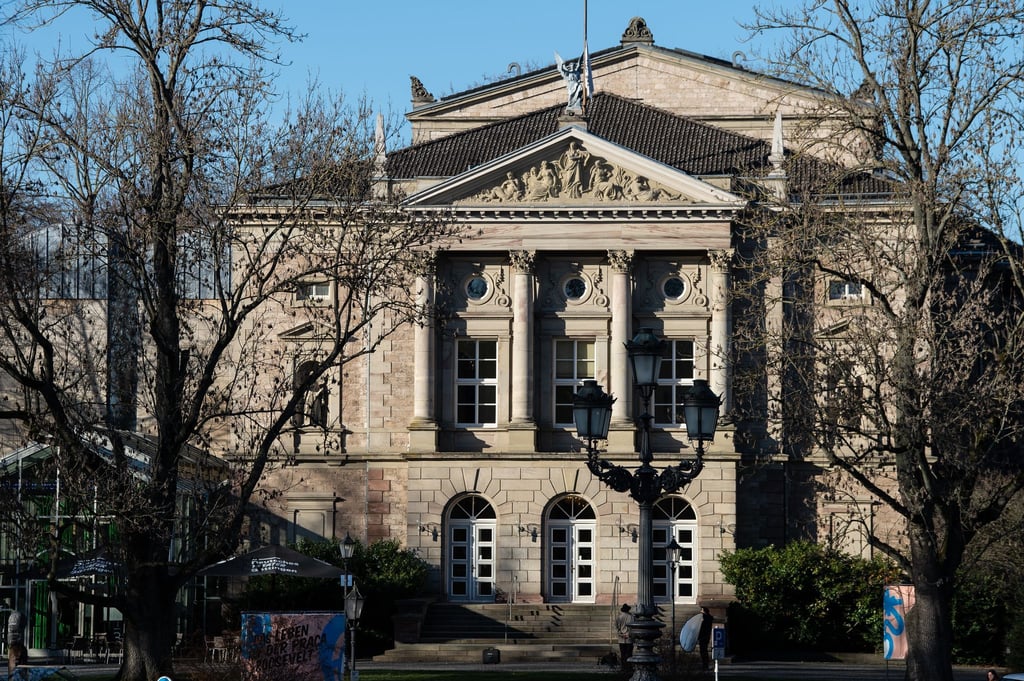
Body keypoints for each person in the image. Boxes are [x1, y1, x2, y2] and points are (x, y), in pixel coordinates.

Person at [5, 599, 28, 678]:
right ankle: (23, 674)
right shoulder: (21, 616)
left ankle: (11, 676)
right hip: (18, 641)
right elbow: (24, 625)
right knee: (22, 654)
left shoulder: (11, 616)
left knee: (12, 658)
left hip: (12, 640)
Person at [615, 603, 634, 671]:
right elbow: (633, 627)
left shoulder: (619, 617)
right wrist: (629, 634)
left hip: (621, 638)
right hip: (629, 637)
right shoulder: (631, 617)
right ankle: (629, 667)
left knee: (623, 653)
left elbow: (616, 627)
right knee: (629, 653)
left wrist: (620, 634)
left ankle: (623, 667)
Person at [698, 606, 713, 671]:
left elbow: (702, 628)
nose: (700, 612)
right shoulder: (709, 618)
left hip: (703, 637)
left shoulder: (704, 618)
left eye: (701, 610)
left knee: (703, 652)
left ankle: (705, 665)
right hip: (706, 637)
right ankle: (705, 665)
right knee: (704, 651)